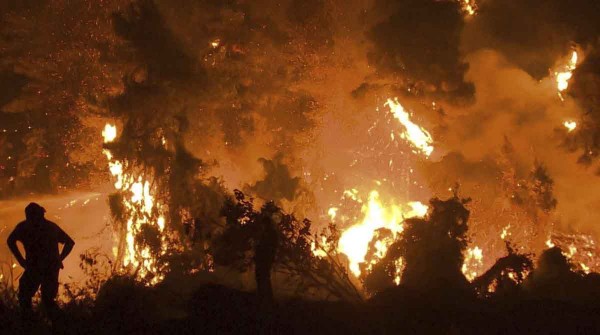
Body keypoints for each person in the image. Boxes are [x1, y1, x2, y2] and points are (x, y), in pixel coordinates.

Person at [7, 202, 75, 316]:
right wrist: (59, 259)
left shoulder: (27, 227)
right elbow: (69, 243)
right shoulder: (47, 227)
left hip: (42, 268)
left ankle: (38, 324)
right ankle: (43, 324)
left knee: (36, 299)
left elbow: (10, 241)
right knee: (37, 299)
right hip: (41, 267)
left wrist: (21, 260)